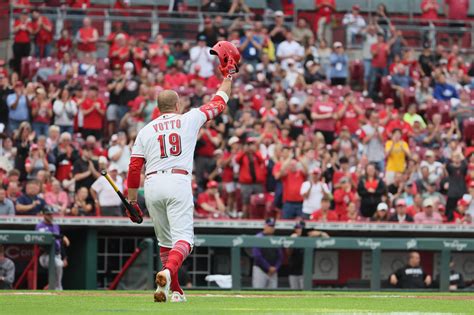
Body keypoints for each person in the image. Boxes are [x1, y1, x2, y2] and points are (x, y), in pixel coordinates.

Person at [126, 41, 239, 303]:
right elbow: (219, 103)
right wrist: (228, 77)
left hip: (151, 185)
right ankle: (167, 273)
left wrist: (132, 200)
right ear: (177, 105)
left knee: (166, 243)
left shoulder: (145, 130)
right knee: (184, 241)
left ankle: (174, 291)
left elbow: (134, 169)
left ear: (158, 108)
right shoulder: (188, 119)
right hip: (177, 180)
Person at [35, 207, 70, 290]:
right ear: (43, 215)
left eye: (51, 214)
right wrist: (62, 236)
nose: (51, 216)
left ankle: (52, 285)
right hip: (45, 256)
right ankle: (58, 287)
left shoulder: (56, 226)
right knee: (58, 264)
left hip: (57, 255)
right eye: (48, 214)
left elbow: (59, 242)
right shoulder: (40, 226)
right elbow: (47, 236)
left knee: (59, 264)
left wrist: (64, 257)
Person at [287, 221, 329, 290]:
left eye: (300, 228)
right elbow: (288, 253)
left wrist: (320, 233)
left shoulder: (310, 238)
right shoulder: (293, 237)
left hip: (306, 273)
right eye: (297, 228)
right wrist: (291, 241)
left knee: (305, 293)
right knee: (293, 293)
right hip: (293, 271)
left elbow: (328, 239)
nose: (299, 230)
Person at [252, 218, 283, 289]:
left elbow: (280, 256)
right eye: (269, 226)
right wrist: (268, 267)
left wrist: (275, 268)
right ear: (265, 226)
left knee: (273, 295)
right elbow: (257, 255)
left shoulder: (276, 239)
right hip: (260, 269)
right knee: (258, 293)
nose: (271, 228)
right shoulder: (258, 237)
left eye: (272, 226)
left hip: (273, 271)